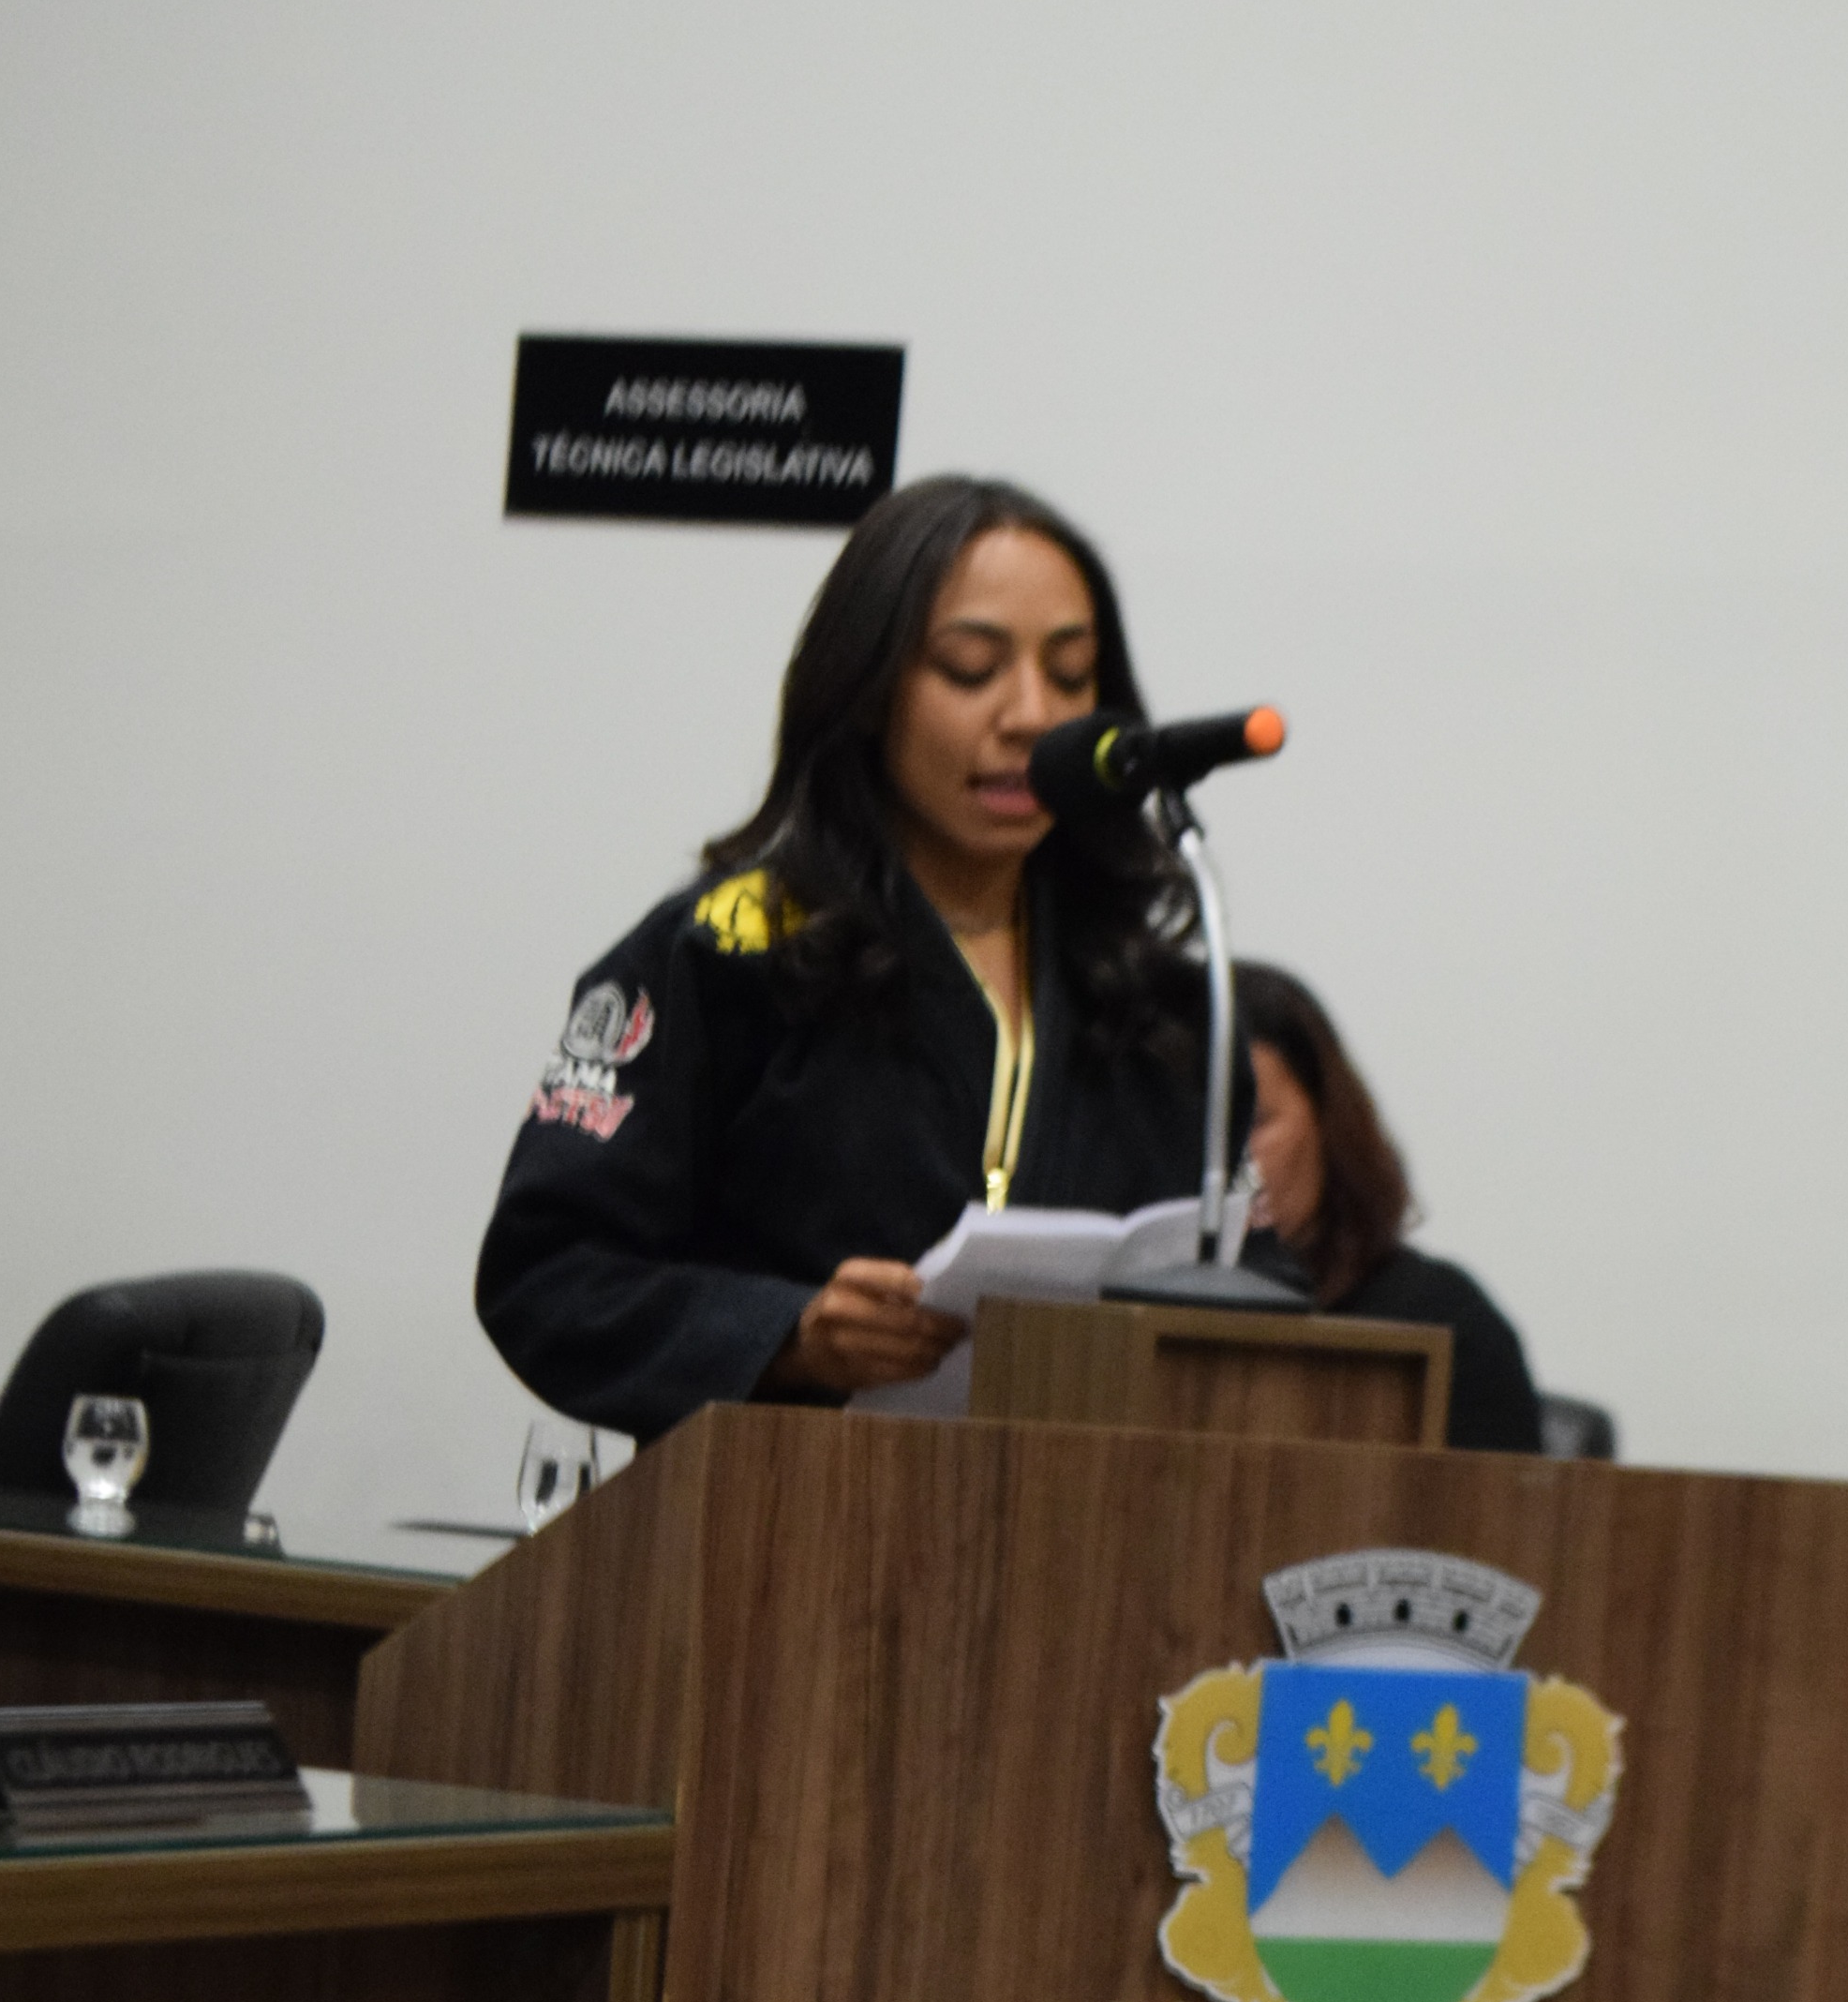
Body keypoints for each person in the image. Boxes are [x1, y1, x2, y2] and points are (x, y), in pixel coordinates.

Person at [477, 474, 1221, 1440]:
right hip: (786, 1510)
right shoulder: (724, 953)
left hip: (1080, 1516)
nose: (1031, 714)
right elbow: (547, 1274)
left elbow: (1249, 1296)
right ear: (867, 690)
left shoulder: (1160, 1002)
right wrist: (787, 1335)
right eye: (970, 668)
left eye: (1071, 675)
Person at [1234, 961, 1542, 1453]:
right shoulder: (1123, 1317)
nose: (1223, 1159)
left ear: (1326, 1124)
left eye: (1252, 1124)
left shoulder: (1440, 1325)